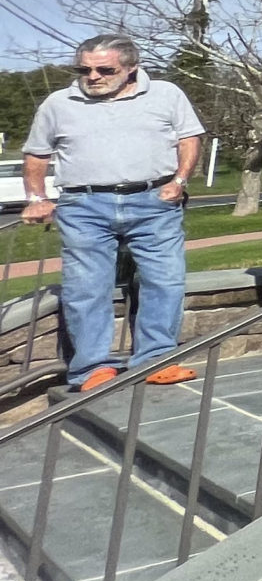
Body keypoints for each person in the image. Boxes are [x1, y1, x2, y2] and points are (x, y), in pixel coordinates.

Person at [19, 35, 205, 392]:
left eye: (105, 69)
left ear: (132, 68)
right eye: (83, 69)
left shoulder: (166, 94)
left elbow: (189, 138)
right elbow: (36, 155)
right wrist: (36, 197)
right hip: (83, 206)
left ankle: (156, 360)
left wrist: (179, 181)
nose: (92, 76)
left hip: (154, 202)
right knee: (86, 288)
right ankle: (91, 369)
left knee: (165, 281)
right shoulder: (59, 103)